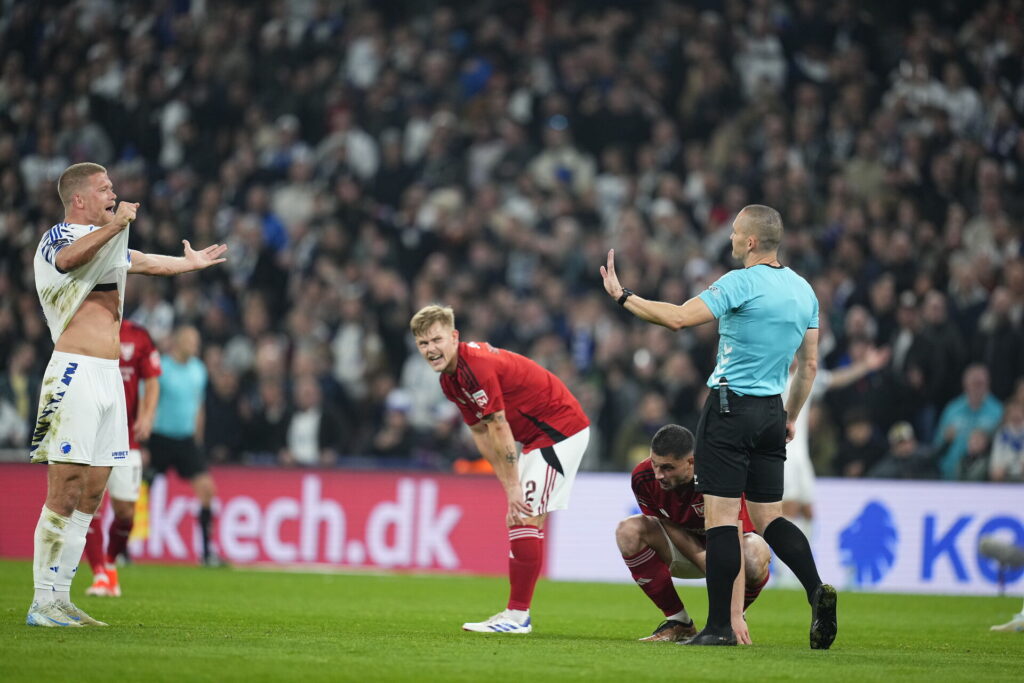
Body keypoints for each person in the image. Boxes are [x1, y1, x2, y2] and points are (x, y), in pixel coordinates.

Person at [601, 204, 836, 648]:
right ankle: (816, 588)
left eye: (733, 232)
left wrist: (622, 296)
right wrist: (791, 416)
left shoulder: (739, 283)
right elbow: (808, 366)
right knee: (770, 518)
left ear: (750, 241)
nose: (729, 238)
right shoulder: (805, 291)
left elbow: (675, 318)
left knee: (723, 520)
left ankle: (718, 628)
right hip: (771, 410)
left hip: (730, 407)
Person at [28, 162, 226, 627]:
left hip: (109, 379)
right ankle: (42, 601)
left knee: (93, 493)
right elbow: (69, 261)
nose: (112, 194)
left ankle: (61, 596)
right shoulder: (56, 238)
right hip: (74, 372)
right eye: (104, 189)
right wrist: (117, 225)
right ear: (79, 199)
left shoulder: (111, 239)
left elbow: (145, 262)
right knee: (65, 489)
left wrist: (189, 264)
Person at [410, 304, 590, 634]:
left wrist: (513, 488)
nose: (431, 349)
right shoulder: (450, 381)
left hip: (559, 430)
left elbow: (499, 426)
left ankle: (517, 616)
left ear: (454, 336)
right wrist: (508, 482)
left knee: (524, 515)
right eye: (423, 344)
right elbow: (480, 432)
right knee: (526, 517)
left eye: (436, 340)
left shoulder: (475, 366)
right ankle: (516, 613)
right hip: (539, 438)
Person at [616, 424, 770, 643]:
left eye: (668, 468)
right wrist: (701, 558)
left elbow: (733, 538)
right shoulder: (643, 477)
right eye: (655, 465)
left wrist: (735, 613)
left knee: (755, 552)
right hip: (685, 551)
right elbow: (666, 522)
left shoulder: (720, 474)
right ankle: (679, 622)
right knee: (628, 530)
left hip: (731, 556)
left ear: (691, 462)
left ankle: (729, 618)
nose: (659, 475)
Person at [83, 319, 161, 596]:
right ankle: (99, 575)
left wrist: (148, 415)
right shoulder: (85, 325)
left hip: (126, 437)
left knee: (127, 513)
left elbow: (152, 379)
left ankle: (111, 563)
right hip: (93, 433)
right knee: (90, 504)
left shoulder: (138, 335)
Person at [148, 325, 221, 565]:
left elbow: (198, 407)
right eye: (190, 341)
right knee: (135, 493)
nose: (195, 346)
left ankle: (207, 552)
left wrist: (197, 442)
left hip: (186, 440)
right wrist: (143, 439)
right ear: (177, 343)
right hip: (159, 438)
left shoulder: (199, 371)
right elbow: (147, 401)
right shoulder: (161, 368)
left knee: (207, 491)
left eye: (196, 341)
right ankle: (122, 548)